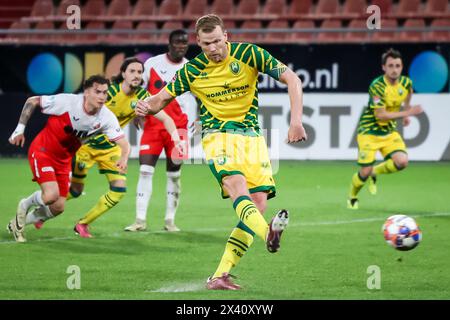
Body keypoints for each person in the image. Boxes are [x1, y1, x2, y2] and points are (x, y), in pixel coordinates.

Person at [135, 14, 307, 290]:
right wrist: (144, 106)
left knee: (259, 204)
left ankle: (219, 276)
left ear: (225, 36)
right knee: (236, 186)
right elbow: (160, 100)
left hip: (252, 138)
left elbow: (293, 80)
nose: (213, 49)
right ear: (198, 43)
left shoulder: (249, 53)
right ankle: (268, 234)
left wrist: (296, 120)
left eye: (216, 41)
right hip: (217, 136)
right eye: (206, 44)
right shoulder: (192, 71)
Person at [45, 58, 183, 238]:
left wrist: (176, 139)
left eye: (140, 72)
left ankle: (82, 224)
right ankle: (42, 208)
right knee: (74, 191)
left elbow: (166, 118)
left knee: (118, 191)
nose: (136, 75)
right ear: (123, 74)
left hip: (110, 150)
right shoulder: (108, 92)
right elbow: (81, 107)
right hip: (85, 148)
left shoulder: (142, 97)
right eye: (132, 71)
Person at [7, 75, 129, 243]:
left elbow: (124, 143)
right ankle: (25, 204)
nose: (102, 96)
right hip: (43, 151)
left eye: (105, 93)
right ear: (86, 92)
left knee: (58, 207)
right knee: (50, 196)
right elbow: (33, 100)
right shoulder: (68, 102)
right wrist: (19, 129)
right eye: (97, 92)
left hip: (64, 161)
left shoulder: (106, 117)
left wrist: (124, 157)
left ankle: (17, 223)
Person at [124, 30, 197, 233]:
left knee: (174, 174)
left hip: (180, 128)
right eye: (177, 43)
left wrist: (201, 118)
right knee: (145, 171)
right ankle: (139, 220)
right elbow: (139, 89)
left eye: (185, 43)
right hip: (154, 125)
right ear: (169, 44)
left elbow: (201, 95)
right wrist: (138, 112)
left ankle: (170, 220)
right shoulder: (152, 64)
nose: (181, 46)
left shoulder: (191, 68)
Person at [347, 48, 424, 209]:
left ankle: (375, 172)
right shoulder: (377, 86)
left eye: (397, 66)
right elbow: (380, 115)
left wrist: (406, 111)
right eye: (391, 66)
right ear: (384, 67)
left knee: (402, 161)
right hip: (369, 132)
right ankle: (352, 196)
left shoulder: (406, 83)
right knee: (364, 172)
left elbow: (408, 93)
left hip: (388, 132)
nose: (394, 69)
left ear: (402, 67)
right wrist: (408, 112)